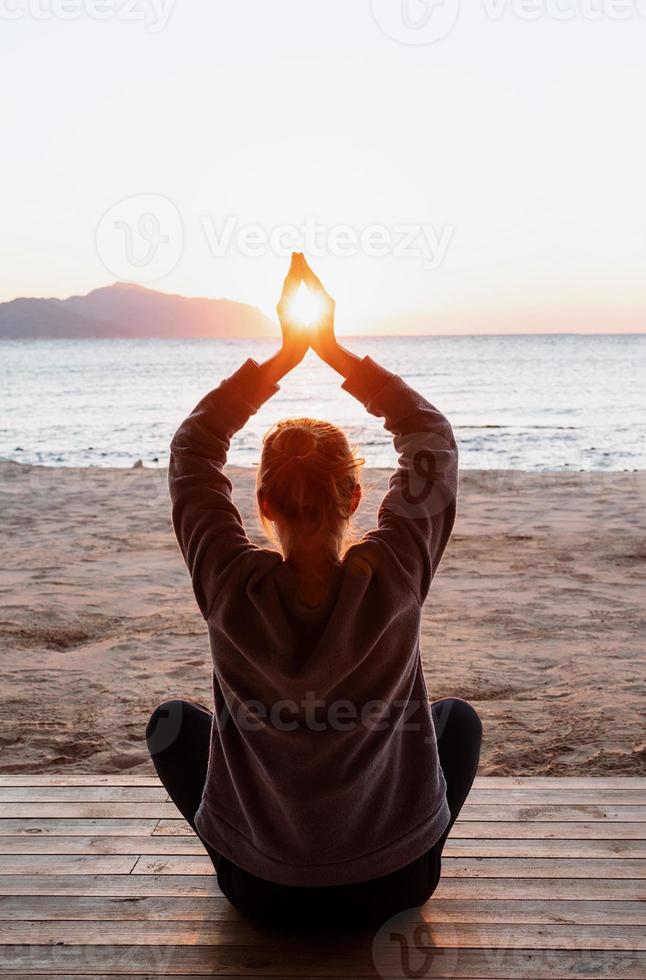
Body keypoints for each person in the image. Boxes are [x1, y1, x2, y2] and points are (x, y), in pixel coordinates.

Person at [146, 253, 482, 927]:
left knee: (170, 725)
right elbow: (431, 438)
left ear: (262, 503)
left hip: (262, 894)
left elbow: (193, 450)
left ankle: (262, 853)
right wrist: (332, 352)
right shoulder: (396, 572)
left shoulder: (227, 581)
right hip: (397, 883)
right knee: (459, 720)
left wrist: (281, 358)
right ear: (356, 495)